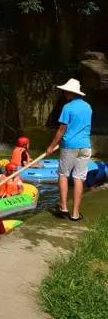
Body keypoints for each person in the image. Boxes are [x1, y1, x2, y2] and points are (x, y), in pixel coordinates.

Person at [46, 78, 93, 222]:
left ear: (70, 92)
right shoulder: (88, 107)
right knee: (79, 178)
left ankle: (64, 206)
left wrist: (51, 146)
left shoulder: (68, 107)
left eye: (65, 91)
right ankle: (75, 214)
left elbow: (61, 129)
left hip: (69, 146)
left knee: (63, 174)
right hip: (85, 146)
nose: (64, 93)